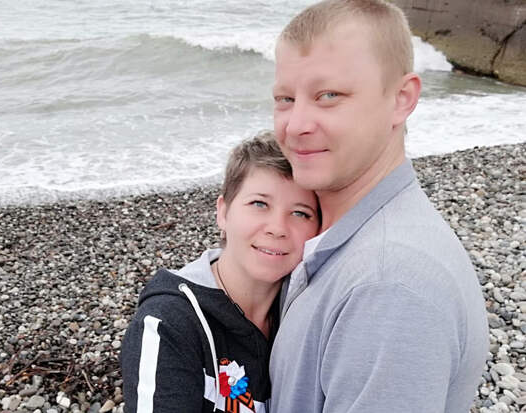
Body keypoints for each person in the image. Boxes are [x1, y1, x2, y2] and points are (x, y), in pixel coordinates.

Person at [268, 1, 488, 412]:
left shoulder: (387, 286)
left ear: (402, 99)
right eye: (285, 98)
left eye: (328, 95)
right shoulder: (348, 239)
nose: (295, 125)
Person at [121, 132, 320, 413]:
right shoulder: (169, 323)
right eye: (259, 204)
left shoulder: (314, 311)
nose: (278, 228)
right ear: (223, 212)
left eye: (300, 213)